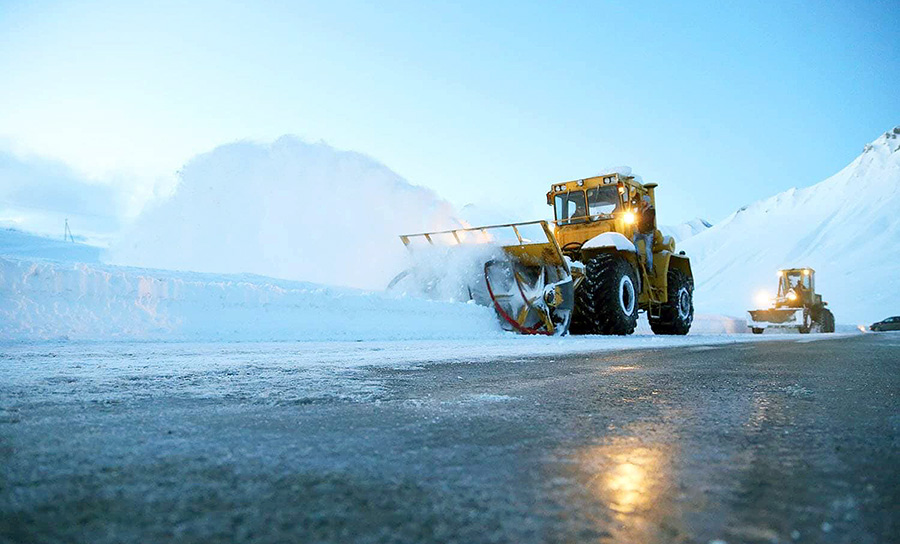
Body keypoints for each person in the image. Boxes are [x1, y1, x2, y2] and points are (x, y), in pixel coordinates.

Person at [632, 194, 655, 273]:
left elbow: (647, 220)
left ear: (647, 202)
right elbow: (636, 216)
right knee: (633, 239)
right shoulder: (641, 210)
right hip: (641, 232)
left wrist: (639, 222)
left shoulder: (651, 210)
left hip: (648, 233)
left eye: (644, 201)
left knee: (648, 249)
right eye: (642, 201)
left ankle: (649, 267)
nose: (642, 202)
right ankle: (637, 255)